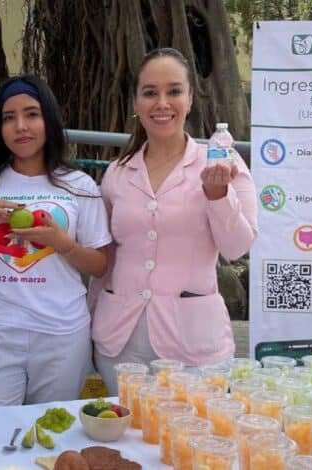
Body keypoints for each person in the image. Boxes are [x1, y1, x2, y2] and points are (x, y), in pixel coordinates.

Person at [89, 48, 258, 394]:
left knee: (191, 428)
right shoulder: (118, 173)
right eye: (150, 92)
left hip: (194, 349)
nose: (162, 103)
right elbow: (105, 258)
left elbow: (237, 247)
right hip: (120, 341)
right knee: (126, 425)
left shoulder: (223, 164)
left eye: (174, 91)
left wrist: (218, 196)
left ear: (191, 99)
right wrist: (89, 321)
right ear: (136, 103)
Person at [0, 75, 111, 407]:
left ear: (49, 120)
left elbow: (99, 265)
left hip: (62, 333)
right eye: (9, 118)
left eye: (32, 114)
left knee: (52, 428)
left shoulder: (79, 185)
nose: (20, 126)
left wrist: (61, 242)